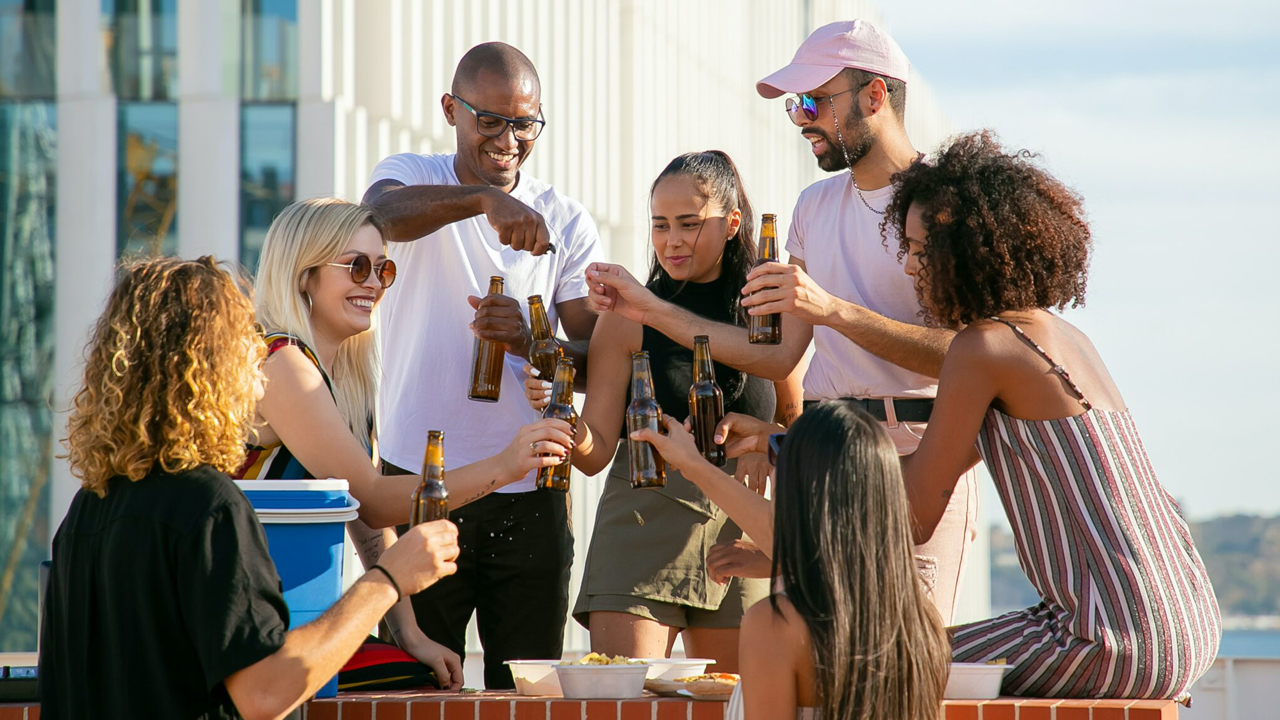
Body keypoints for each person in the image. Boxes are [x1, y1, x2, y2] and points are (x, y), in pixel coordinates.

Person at [584, 20, 977, 622]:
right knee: (826, 680)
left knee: (907, 672)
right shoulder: (813, 207)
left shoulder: (949, 203)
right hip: (821, 460)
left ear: (875, 96)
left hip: (920, 461)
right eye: (797, 106)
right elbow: (774, 357)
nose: (801, 121)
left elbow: (974, 357)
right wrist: (651, 309)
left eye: (814, 102)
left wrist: (834, 311)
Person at [40, 256, 460, 720]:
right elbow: (264, 691)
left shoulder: (87, 510)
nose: (259, 367)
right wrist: (387, 580)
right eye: (247, 346)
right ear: (215, 367)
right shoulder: (208, 507)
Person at [885, 131, 1220, 698]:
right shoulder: (1059, 337)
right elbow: (937, 462)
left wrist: (802, 475)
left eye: (921, 251)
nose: (911, 268)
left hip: (1112, 636)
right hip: (1186, 622)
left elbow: (915, 515)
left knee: (874, 664)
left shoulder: (985, 346)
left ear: (963, 254)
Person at [237, 198, 576, 689]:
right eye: (355, 267)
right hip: (249, 610)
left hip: (287, 601)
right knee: (408, 685)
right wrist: (507, 464)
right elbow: (375, 502)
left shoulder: (337, 375)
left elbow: (358, 517)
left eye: (383, 268)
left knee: (418, 673)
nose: (373, 283)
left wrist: (409, 632)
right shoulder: (284, 362)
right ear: (303, 273)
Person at [361, 42, 603, 688]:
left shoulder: (567, 219)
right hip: (419, 481)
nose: (508, 139)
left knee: (526, 692)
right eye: (489, 120)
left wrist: (533, 338)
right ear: (452, 110)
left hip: (532, 492)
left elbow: (597, 353)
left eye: (524, 123)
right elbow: (379, 215)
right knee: (414, 685)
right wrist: (482, 201)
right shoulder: (413, 172)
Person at [519, 152, 803, 670]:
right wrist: (564, 418)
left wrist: (769, 440)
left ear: (732, 222)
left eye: (690, 224)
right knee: (623, 701)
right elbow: (595, 451)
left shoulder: (768, 311)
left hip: (739, 530)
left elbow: (802, 425)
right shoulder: (627, 317)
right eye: (660, 224)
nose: (672, 240)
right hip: (641, 514)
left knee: (735, 706)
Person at [633, 402, 949, 720]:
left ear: (801, 489)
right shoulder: (923, 625)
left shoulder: (776, 624)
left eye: (779, 455)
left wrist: (693, 465)